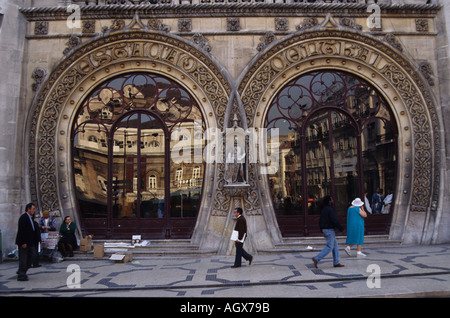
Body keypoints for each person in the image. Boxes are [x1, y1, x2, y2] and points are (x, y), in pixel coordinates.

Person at [312, 196, 345, 269]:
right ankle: (317, 258)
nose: (333, 200)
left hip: (326, 229)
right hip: (329, 230)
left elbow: (320, 221)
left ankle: (336, 262)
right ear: (329, 201)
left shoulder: (323, 209)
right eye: (332, 199)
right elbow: (335, 220)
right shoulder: (330, 209)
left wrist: (322, 230)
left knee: (335, 246)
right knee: (330, 247)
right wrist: (341, 229)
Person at [15, 203, 40, 281]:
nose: (34, 210)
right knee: (23, 258)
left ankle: (22, 270)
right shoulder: (23, 218)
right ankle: (22, 274)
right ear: (28, 209)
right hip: (24, 242)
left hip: (31, 242)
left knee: (33, 255)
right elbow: (21, 231)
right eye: (33, 208)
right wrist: (23, 242)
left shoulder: (31, 218)